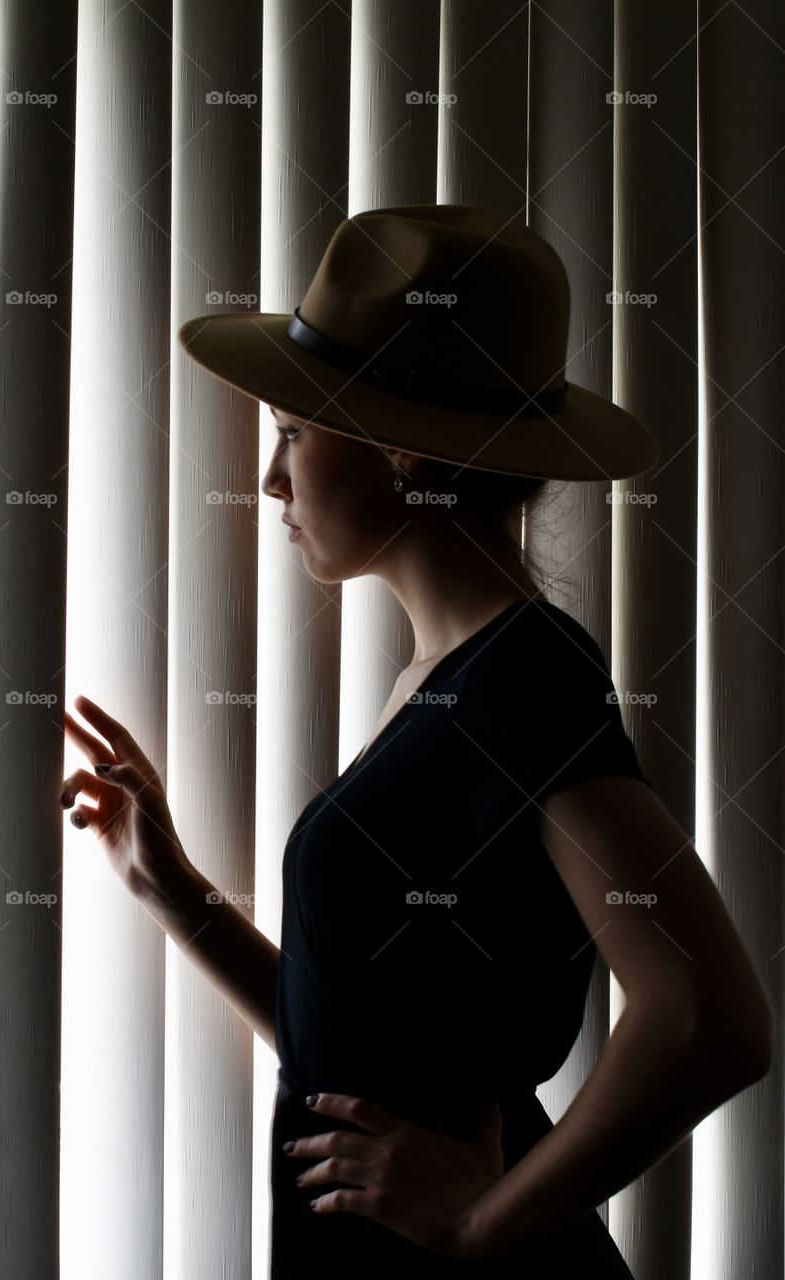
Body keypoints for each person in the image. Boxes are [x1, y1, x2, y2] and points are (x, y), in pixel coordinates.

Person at [61, 206, 774, 1277]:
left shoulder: (522, 677)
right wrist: (173, 890)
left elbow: (709, 1015)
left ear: (401, 445)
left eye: (294, 430)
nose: (269, 478)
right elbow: (358, 1051)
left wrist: (477, 1224)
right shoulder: (444, 683)